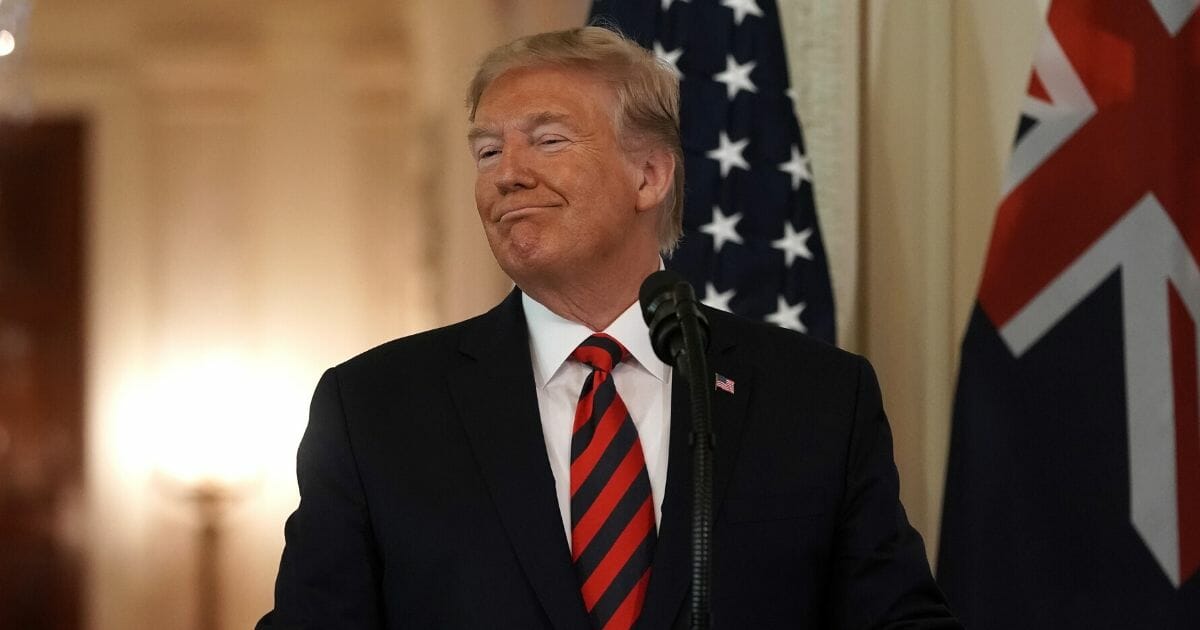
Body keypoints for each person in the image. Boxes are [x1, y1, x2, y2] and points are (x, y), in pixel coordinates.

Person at [258, 26, 961, 630]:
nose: (507, 175)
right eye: (487, 151)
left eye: (548, 139)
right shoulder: (376, 407)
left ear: (650, 176)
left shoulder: (815, 398)